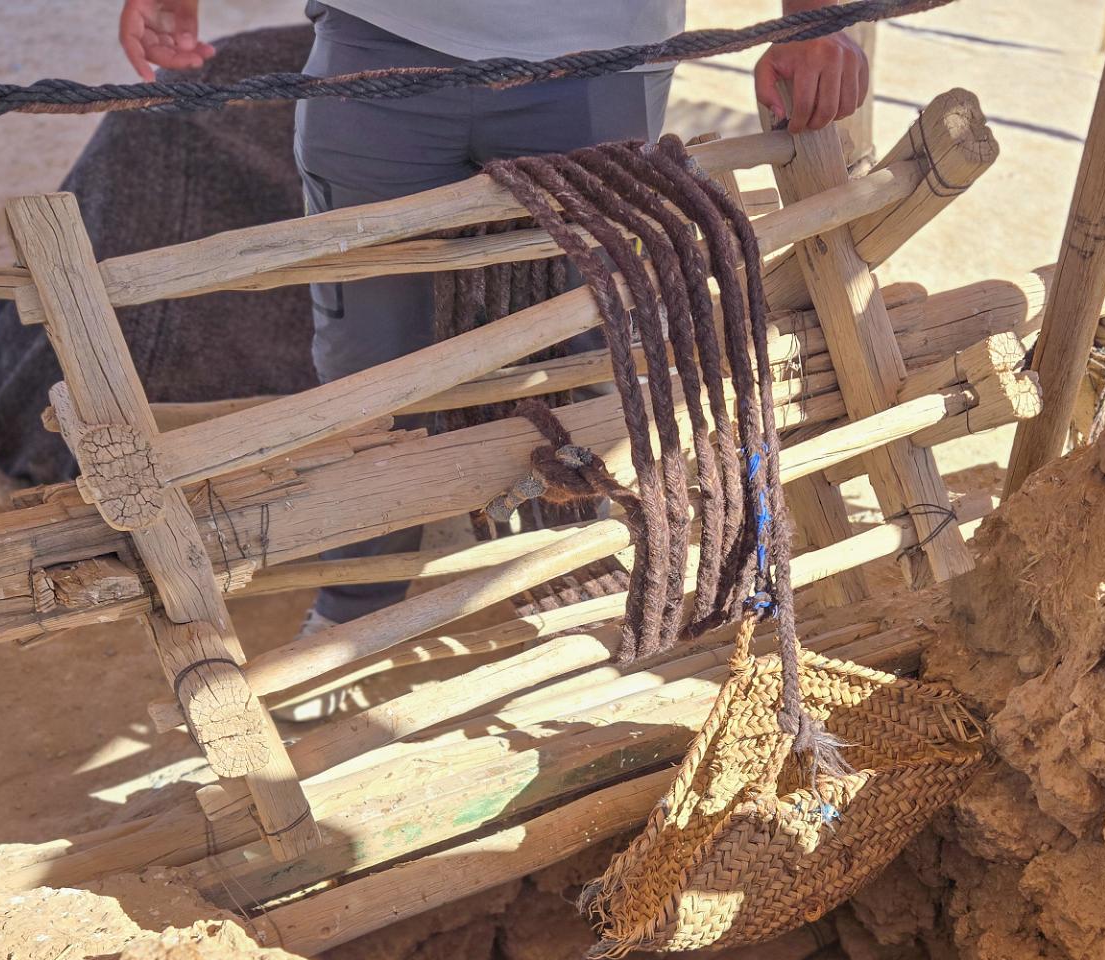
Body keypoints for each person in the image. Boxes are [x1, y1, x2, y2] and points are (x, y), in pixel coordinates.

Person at [118, 0, 870, 632]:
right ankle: (355, 604)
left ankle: (567, 581)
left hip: (597, 55)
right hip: (377, 40)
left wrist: (812, 15)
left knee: (580, 348)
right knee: (365, 363)